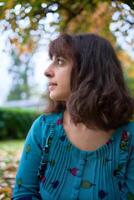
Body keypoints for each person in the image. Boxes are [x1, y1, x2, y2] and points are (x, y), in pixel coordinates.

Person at [12, 33, 134, 200]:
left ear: (90, 70)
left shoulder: (130, 138)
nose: (47, 71)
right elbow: (23, 195)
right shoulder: (43, 130)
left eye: (60, 61)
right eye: (51, 60)